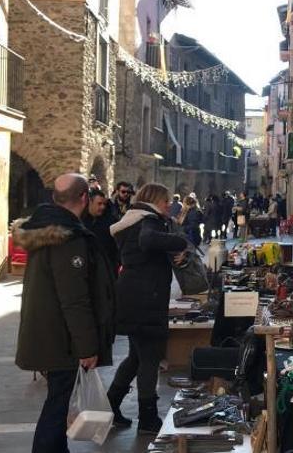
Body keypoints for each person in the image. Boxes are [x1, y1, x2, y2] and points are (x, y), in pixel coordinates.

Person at [13, 173, 116, 453]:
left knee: (58, 401)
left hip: (48, 334)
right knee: (58, 406)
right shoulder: (67, 238)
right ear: (84, 198)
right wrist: (87, 346)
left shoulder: (45, 229)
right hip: (63, 340)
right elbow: (74, 298)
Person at [108, 183, 189, 434]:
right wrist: (179, 241)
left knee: (136, 357)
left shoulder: (132, 219)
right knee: (150, 359)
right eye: (165, 201)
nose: (168, 205)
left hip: (135, 296)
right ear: (155, 200)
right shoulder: (148, 220)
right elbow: (149, 240)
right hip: (145, 299)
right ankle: (148, 417)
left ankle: (110, 406)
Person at [83, 189, 120, 270]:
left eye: (104, 204)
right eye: (99, 204)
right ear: (90, 202)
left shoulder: (111, 221)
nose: (102, 207)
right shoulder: (81, 220)